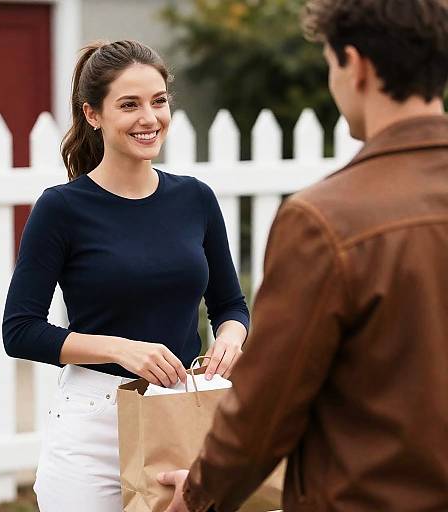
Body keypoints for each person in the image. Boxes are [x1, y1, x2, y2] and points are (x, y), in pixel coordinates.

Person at [158, 1, 448, 511]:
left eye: (330, 63)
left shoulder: (325, 221)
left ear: (354, 65)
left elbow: (262, 411)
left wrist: (195, 498)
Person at [2, 40, 249, 512]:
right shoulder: (61, 209)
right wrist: (121, 348)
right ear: (93, 114)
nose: (149, 118)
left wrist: (231, 339)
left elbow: (230, 305)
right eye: (129, 104)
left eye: (158, 101)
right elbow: (20, 330)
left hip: (180, 411)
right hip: (92, 424)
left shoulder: (195, 199)